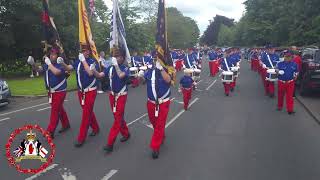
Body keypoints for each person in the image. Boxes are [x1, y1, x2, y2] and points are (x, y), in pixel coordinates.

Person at [92, 48, 131, 153]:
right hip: (112, 95)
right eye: (115, 56)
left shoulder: (125, 67)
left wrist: (116, 66)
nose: (115, 58)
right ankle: (126, 134)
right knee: (117, 116)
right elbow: (100, 75)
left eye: (118, 57)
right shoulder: (110, 68)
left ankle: (110, 143)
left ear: (122, 58)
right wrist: (93, 70)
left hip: (121, 95)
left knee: (117, 119)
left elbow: (121, 75)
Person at [60, 47, 100, 147]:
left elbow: (90, 73)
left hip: (90, 91)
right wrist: (62, 63)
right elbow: (69, 68)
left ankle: (81, 138)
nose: (84, 52)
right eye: (82, 51)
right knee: (88, 111)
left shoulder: (92, 61)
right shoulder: (78, 62)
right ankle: (96, 128)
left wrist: (83, 61)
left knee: (86, 114)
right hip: (81, 92)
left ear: (89, 52)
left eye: (86, 50)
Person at [27, 48, 70, 138]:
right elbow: (39, 70)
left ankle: (50, 131)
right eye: (51, 54)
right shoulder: (48, 65)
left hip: (59, 91)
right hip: (51, 92)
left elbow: (57, 72)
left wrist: (49, 63)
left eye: (54, 54)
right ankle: (66, 124)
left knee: (54, 111)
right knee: (59, 109)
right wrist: (33, 64)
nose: (51, 56)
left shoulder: (60, 64)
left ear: (58, 56)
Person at [139, 60, 172, 159]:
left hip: (163, 103)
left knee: (159, 124)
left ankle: (155, 147)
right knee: (154, 122)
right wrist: (140, 76)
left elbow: (168, 80)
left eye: (157, 58)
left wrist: (161, 69)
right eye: (154, 59)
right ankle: (161, 135)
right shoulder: (149, 71)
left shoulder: (167, 69)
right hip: (151, 103)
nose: (155, 61)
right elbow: (143, 82)